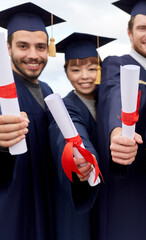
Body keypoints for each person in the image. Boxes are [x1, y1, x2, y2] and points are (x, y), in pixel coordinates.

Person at [94, 1, 146, 239]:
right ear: (130, 32)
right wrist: (117, 131)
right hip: (124, 185)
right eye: (142, 28)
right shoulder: (116, 63)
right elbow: (115, 96)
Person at [0, 2, 64, 239]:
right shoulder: (1, 90)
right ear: (8, 48)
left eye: (40, 47)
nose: (33, 55)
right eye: (23, 46)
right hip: (14, 209)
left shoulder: (49, 91)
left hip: (47, 201)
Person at [48, 32, 115, 240]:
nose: (84, 76)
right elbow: (68, 133)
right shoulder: (64, 106)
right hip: (78, 195)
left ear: (101, 69)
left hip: (111, 199)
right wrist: (81, 156)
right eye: (75, 69)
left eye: (92, 68)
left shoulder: (110, 103)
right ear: (66, 72)